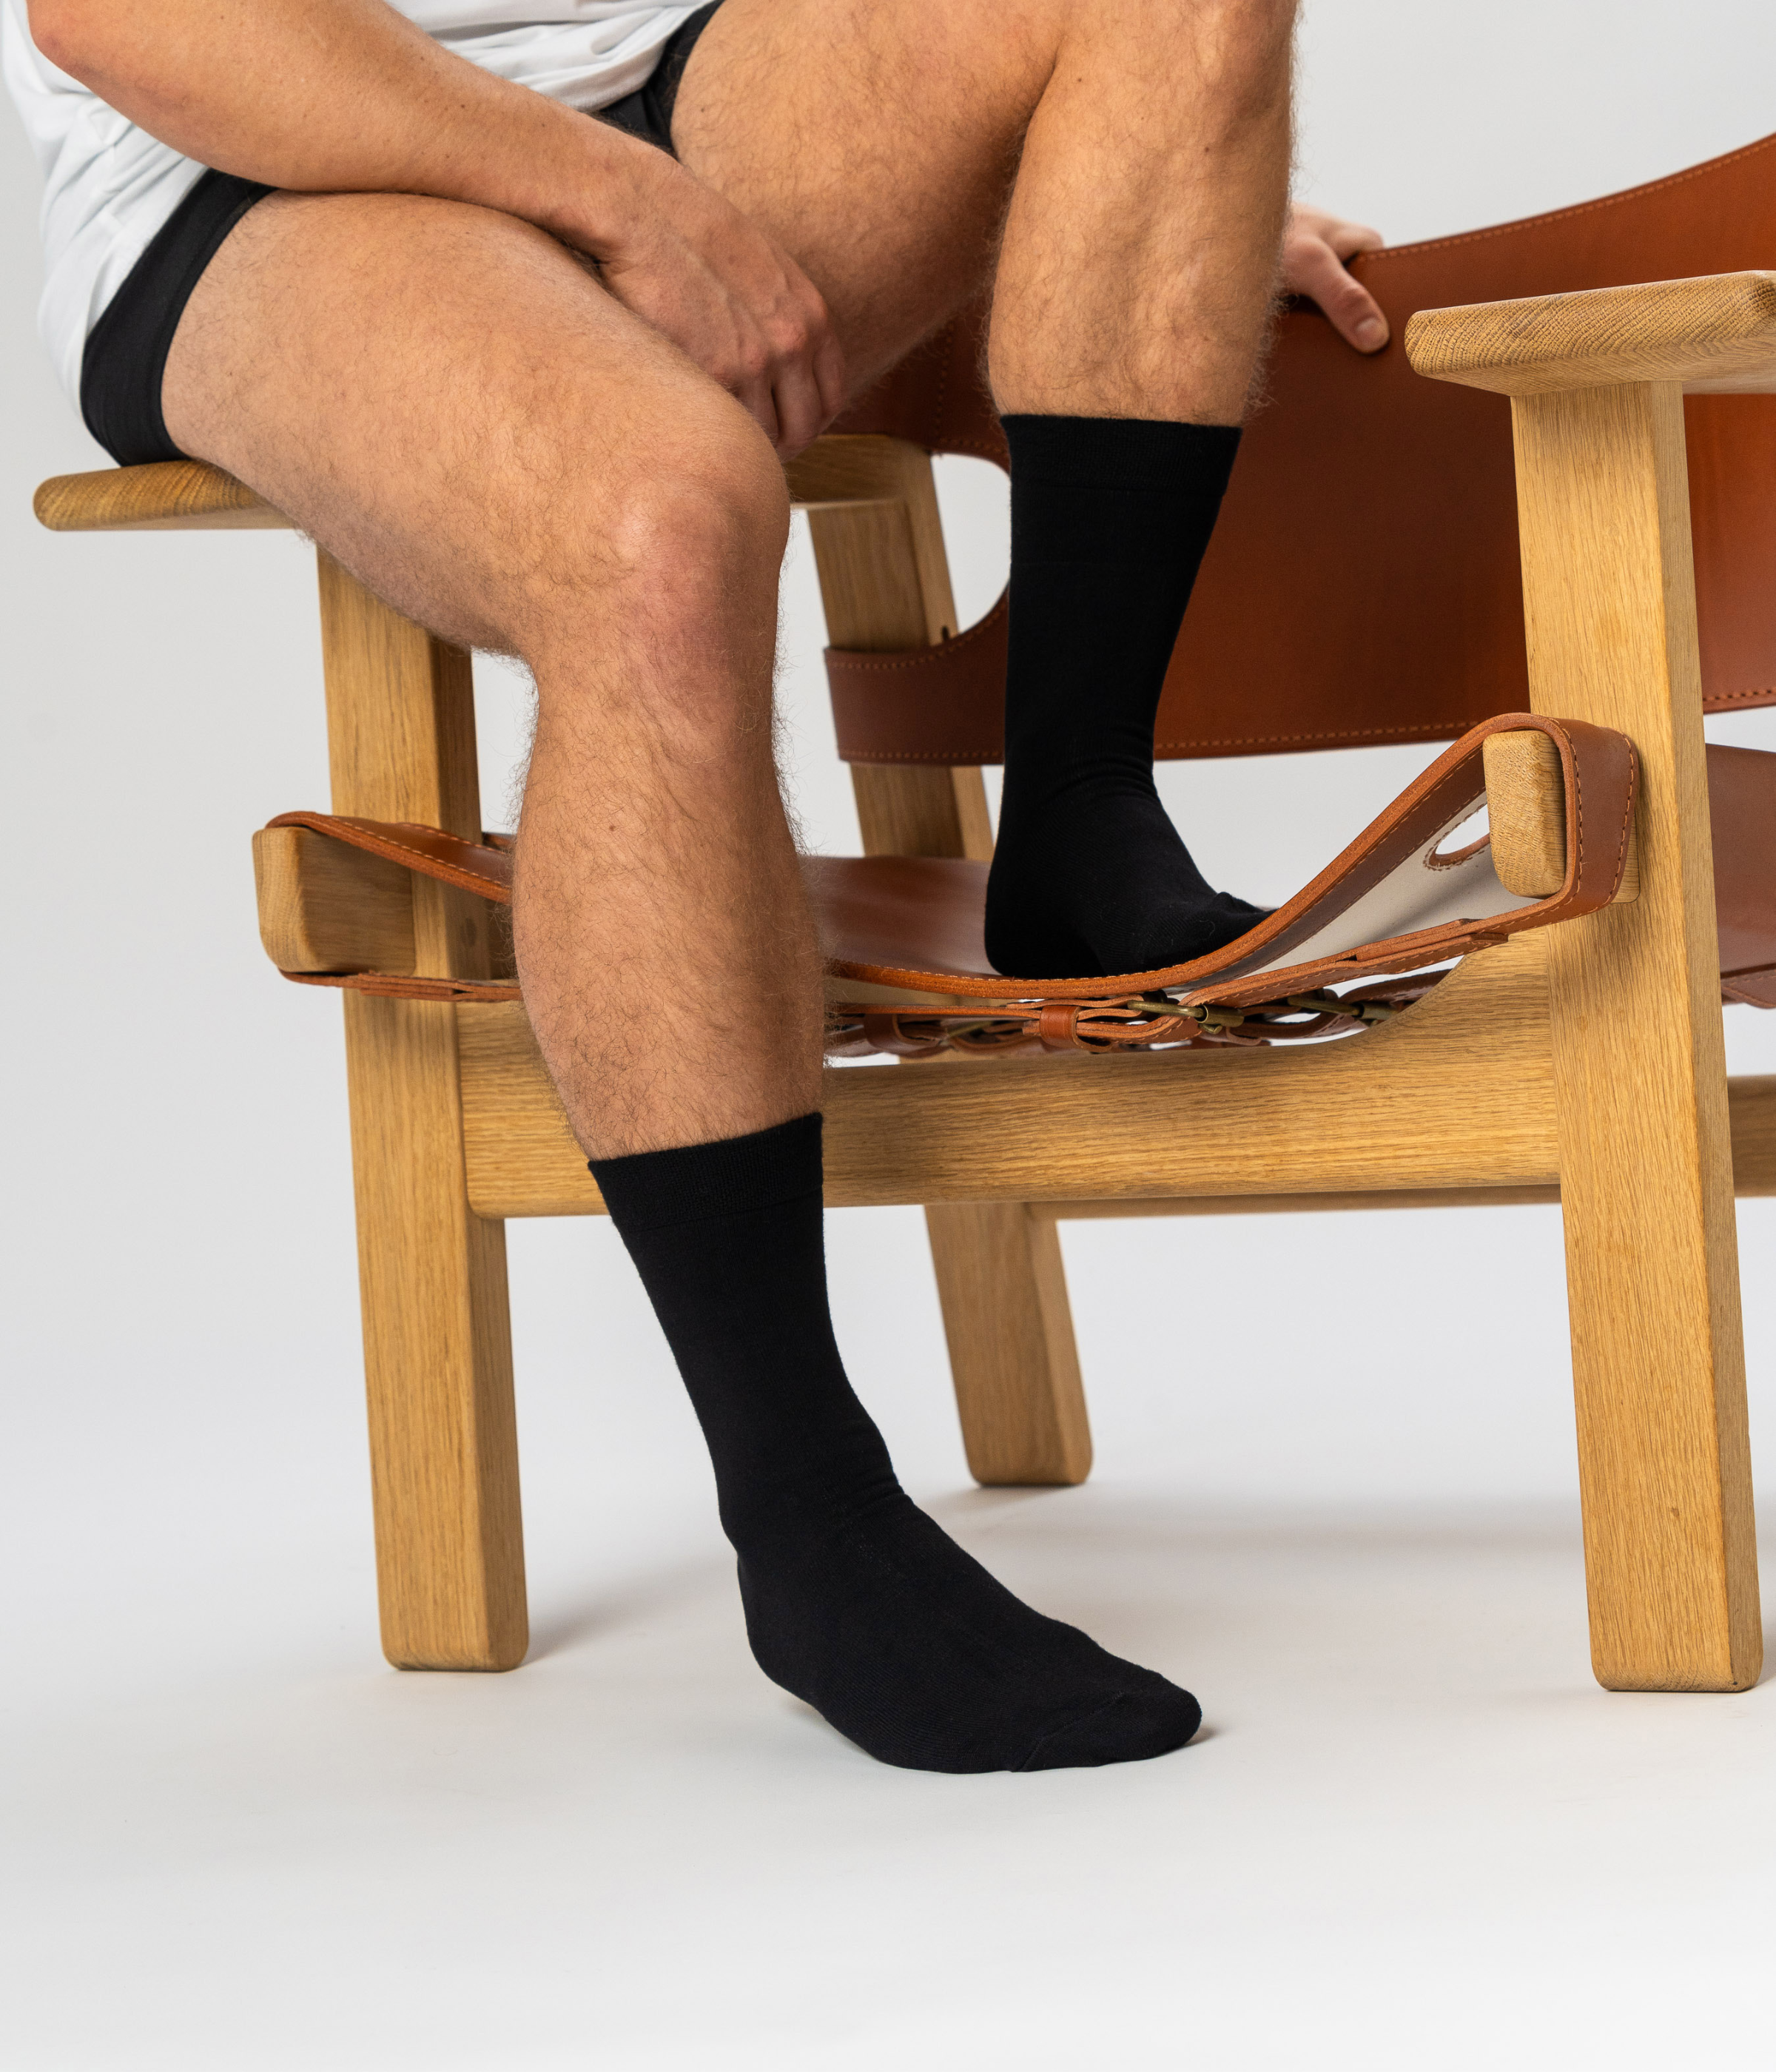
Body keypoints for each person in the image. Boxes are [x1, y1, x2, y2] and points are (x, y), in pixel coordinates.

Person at [6, 0, 1388, 1772]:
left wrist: (1129, 186)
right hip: (253, 176)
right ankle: (811, 1516)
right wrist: (628, 207)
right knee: (662, 527)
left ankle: (1078, 812)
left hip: (677, 77)